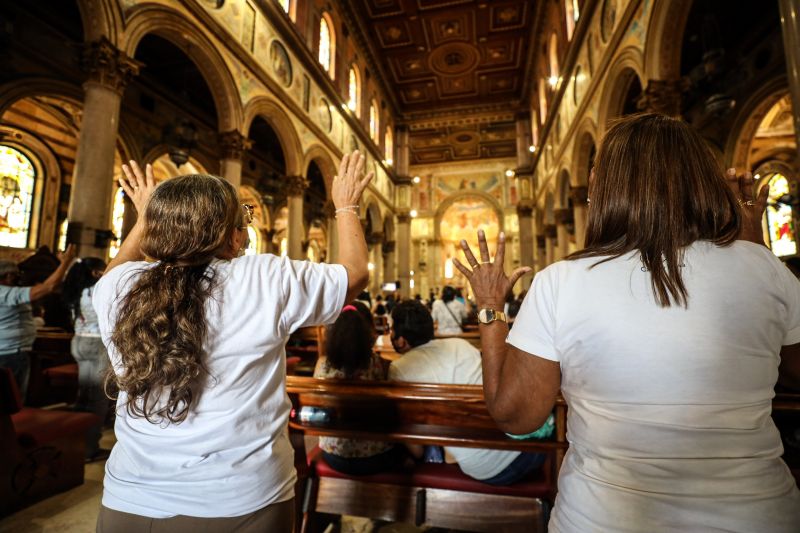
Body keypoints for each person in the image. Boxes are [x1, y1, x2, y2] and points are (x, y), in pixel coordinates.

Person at [453, 113, 800, 532]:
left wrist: (491, 307)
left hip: (601, 519)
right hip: (758, 516)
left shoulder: (561, 282)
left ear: (610, 189)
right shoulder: (762, 267)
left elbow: (516, 415)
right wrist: (752, 253)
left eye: (596, 176)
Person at [92, 152, 372, 532]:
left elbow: (114, 273)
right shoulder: (262, 278)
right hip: (240, 500)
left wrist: (146, 218)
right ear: (233, 235)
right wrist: (347, 206)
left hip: (130, 498)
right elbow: (354, 275)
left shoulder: (119, 289)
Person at [388, 300, 545, 485]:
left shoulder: (398, 370)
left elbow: (417, 450)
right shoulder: (460, 345)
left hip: (488, 470)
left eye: (391, 329)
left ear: (401, 340)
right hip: (532, 448)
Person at [314, 301, 404, 475]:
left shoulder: (322, 365)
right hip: (374, 456)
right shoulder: (374, 363)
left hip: (333, 454)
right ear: (364, 334)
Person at [0, 245, 75, 399]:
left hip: (10, 352)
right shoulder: (5, 292)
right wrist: (65, 263)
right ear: (7, 276)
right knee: (11, 401)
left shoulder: (9, 293)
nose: (19, 279)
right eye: (15, 275)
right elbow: (49, 287)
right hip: (10, 354)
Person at [62, 256, 111, 461]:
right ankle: (89, 448)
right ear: (95, 272)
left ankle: (74, 445)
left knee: (84, 394)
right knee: (98, 398)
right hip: (97, 343)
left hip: (79, 342)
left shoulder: (76, 290)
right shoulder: (98, 290)